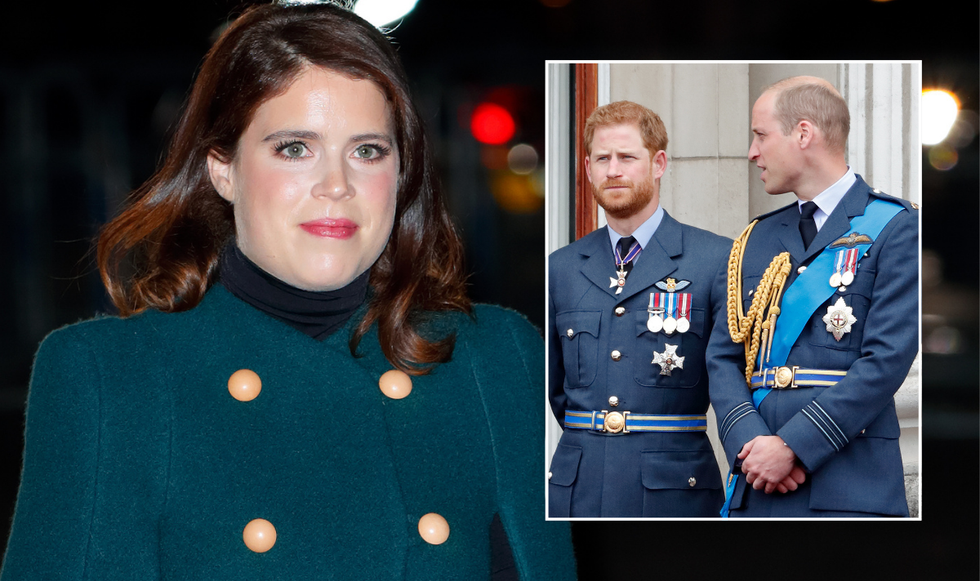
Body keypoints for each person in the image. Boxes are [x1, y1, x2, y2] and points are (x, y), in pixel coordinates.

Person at [0, 3, 575, 579]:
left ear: (401, 175)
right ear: (222, 168)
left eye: (367, 151)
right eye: (295, 148)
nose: (337, 186)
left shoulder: (498, 361)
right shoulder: (111, 380)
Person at [708, 76, 918, 517]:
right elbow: (724, 357)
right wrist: (752, 444)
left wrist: (794, 446)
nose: (752, 152)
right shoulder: (755, 239)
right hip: (759, 485)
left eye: (761, 135)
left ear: (803, 134)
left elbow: (886, 361)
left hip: (849, 484)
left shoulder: (897, 229)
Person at [547, 101, 729, 517]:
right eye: (602, 158)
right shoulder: (561, 268)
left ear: (658, 163)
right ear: (588, 167)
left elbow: (730, 379)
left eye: (627, 157)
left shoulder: (714, 259)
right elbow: (556, 390)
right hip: (580, 486)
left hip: (675, 490)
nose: (613, 170)